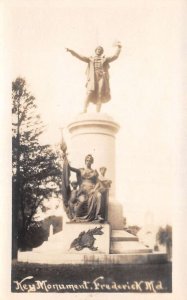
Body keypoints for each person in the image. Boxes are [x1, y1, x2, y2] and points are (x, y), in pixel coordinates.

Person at [66, 42, 122, 113]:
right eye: (97, 49)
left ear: (102, 52)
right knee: (89, 92)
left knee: (100, 93)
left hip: (102, 76)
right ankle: (84, 109)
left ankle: (98, 112)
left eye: (100, 49)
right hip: (93, 77)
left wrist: (119, 48)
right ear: (95, 51)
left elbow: (115, 56)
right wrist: (71, 51)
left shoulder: (105, 59)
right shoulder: (90, 59)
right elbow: (79, 56)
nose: (99, 50)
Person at [69, 154, 104, 222]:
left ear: (92, 162)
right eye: (87, 160)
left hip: (92, 189)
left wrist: (94, 189)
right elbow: (70, 168)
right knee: (81, 201)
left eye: (90, 160)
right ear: (85, 161)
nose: (88, 161)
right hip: (83, 191)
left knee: (99, 195)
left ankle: (98, 216)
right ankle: (76, 216)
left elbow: (97, 182)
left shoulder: (94, 172)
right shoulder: (81, 170)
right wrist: (64, 156)